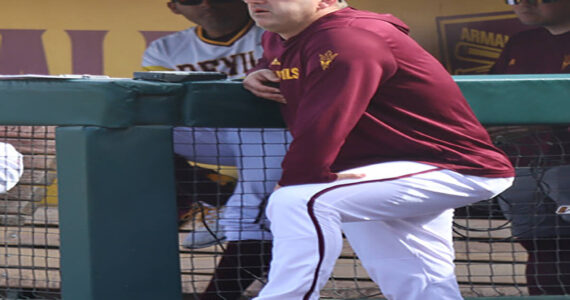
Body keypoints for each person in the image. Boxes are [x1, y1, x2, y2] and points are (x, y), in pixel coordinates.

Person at [242, 0, 515, 299]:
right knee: (418, 284)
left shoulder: (350, 36)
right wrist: (260, 69)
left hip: (449, 165)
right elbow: (282, 57)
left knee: (298, 201)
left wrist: (298, 176)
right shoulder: (281, 34)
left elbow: (325, 121)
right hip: (376, 172)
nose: (254, 0)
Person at [142, 0, 292, 299]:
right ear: (174, 8)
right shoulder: (165, 49)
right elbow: (161, 105)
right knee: (137, 134)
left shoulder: (272, 33)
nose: (208, 4)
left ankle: (232, 209)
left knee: (251, 215)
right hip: (214, 135)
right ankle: (219, 195)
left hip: (272, 132)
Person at [489, 0, 570, 295]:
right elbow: (491, 96)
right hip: (523, 164)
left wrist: (543, 123)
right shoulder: (521, 42)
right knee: (541, 246)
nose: (522, 3)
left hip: (566, 165)